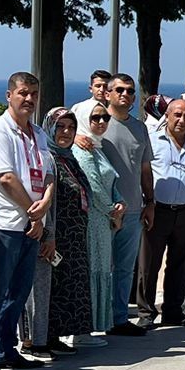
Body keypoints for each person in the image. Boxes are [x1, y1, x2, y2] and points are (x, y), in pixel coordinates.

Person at [0, 72, 52, 370]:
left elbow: (48, 174)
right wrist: (34, 213)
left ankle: (7, 348)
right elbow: (5, 178)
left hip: (31, 225)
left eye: (34, 93)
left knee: (18, 294)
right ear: (9, 95)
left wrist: (43, 205)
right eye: (23, 93)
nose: (29, 99)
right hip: (4, 224)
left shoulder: (38, 133)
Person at [144, 94, 185, 326]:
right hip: (158, 211)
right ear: (167, 116)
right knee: (150, 263)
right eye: (177, 115)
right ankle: (146, 313)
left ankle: (173, 310)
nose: (182, 120)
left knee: (180, 263)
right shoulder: (152, 141)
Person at [98, 74, 151, 334]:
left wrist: (149, 201)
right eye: (119, 90)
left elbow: (145, 168)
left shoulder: (140, 128)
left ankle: (119, 318)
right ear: (107, 93)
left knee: (125, 268)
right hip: (103, 210)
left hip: (133, 209)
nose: (125, 95)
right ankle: (100, 318)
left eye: (130, 91)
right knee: (102, 268)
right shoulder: (97, 124)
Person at [41, 108, 97, 348]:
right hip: (58, 233)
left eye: (70, 128)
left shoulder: (68, 157)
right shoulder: (48, 158)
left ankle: (61, 332)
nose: (66, 132)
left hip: (74, 234)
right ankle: (48, 336)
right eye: (60, 127)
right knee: (56, 285)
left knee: (70, 284)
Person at [72, 105, 124, 338]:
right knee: (94, 270)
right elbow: (92, 186)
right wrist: (114, 211)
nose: (102, 122)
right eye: (95, 118)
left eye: (105, 117)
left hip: (103, 220)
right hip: (94, 220)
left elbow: (110, 181)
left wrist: (119, 203)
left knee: (103, 269)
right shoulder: (83, 151)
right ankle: (87, 326)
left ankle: (97, 323)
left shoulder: (96, 147)